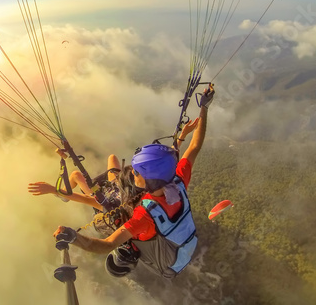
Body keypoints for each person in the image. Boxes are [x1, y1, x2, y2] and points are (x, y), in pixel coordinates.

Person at [53, 85, 215, 279]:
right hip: (168, 238)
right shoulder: (176, 180)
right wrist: (204, 108)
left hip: (149, 236)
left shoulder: (143, 216)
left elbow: (108, 244)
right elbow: (195, 146)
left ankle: (127, 255)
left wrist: (74, 237)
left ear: (149, 182)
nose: (132, 173)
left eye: (137, 172)